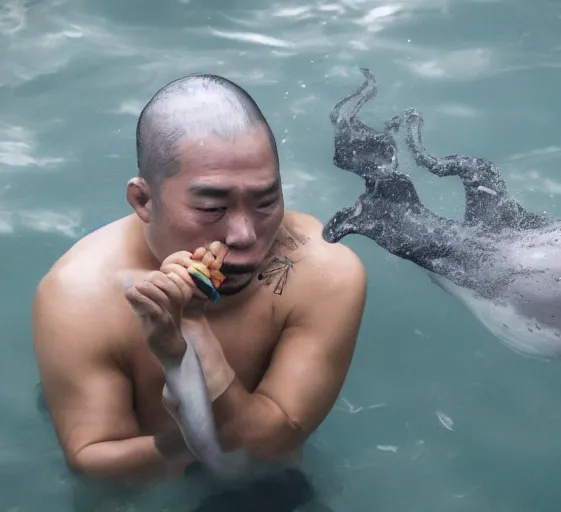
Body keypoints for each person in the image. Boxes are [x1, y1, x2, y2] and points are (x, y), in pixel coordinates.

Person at [32, 73, 368, 491]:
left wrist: (189, 337)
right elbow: (93, 461)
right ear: (144, 200)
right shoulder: (79, 294)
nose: (243, 235)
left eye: (266, 201)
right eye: (212, 208)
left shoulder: (324, 271)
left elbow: (274, 442)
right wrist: (195, 432)